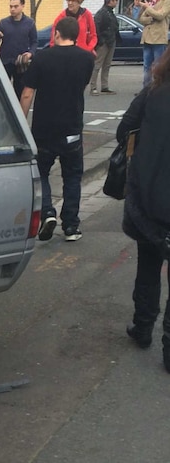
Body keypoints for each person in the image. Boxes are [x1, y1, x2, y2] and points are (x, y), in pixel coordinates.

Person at [117, 48, 170, 373]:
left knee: (148, 266)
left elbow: (125, 129)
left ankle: (143, 328)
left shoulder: (152, 93)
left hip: (150, 196)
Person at [20, 17, 94, 242]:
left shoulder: (42, 58)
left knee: (41, 172)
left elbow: (27, 93)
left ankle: (47, 212)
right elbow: (82, 85)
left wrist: (21, 122)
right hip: (72, 127)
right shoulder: (86, 59)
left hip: (44, 128)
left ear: (57, 33)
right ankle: (71, 226)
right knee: (72, 176)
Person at [0, 0, 37, 100]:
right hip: (5, 62)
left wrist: (30, 53)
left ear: (22, 6)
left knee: (20, 92)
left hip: (21, 63)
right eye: (11, 6)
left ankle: (19, 114)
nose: (12, 9)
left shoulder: (29, 23)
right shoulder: (3, 23)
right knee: (3, 92)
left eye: (15, 6)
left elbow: (34, 42)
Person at [134, 0, 170, 90]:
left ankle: (157, 88)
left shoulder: (166, 0)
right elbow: (141, 19)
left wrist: (148, 8)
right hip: (147, 38)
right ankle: (146, 88)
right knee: (146, 66)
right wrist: (150, 18)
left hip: (158, 39)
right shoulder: (152, 2)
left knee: (158, 66)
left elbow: (160, 15)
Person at [89, 0, 121, 96]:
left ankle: (104, 86)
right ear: (109, 1)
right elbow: (96, 27)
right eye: (115, 0)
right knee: (97, 64)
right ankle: (93, 87)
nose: (116, 2)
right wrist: (100, 40)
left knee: (107, 65)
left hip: (111, 41)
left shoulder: (110, 13)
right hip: (104, 42)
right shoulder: (102, 13)